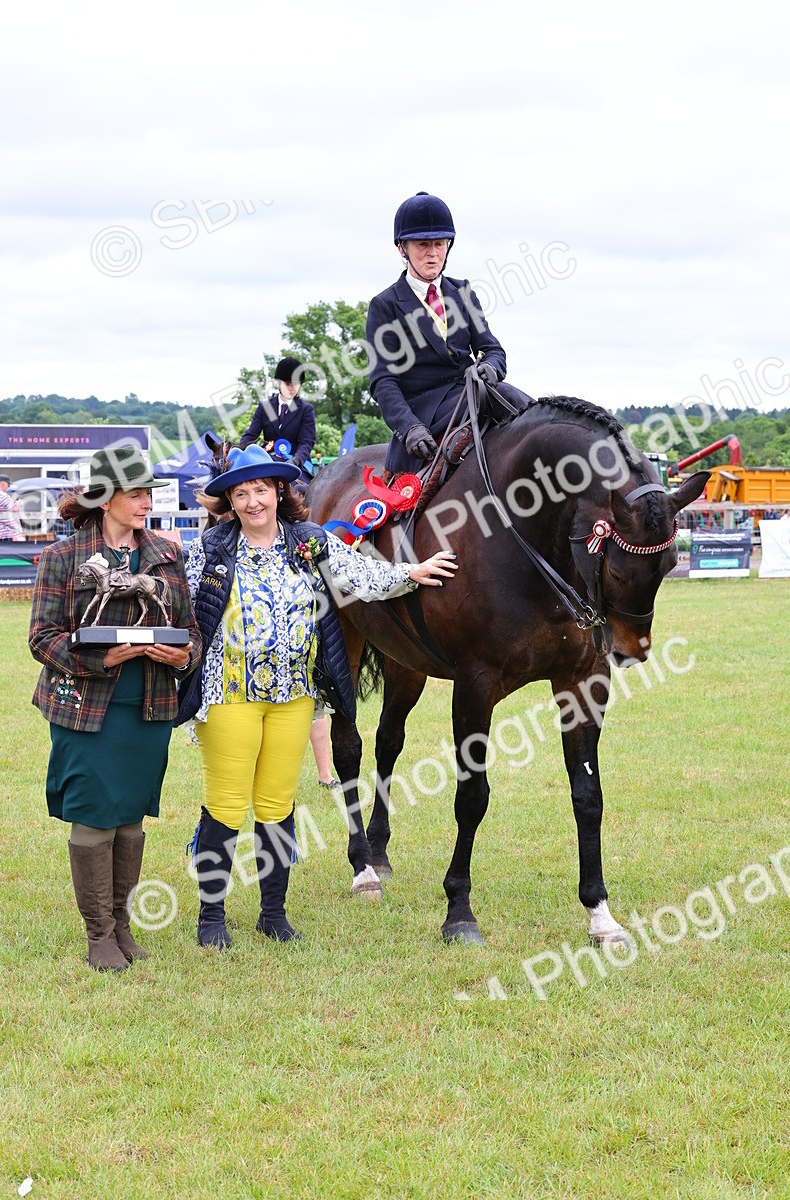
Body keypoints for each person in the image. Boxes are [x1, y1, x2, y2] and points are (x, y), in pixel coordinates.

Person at [176, 443, 457, 949]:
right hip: (229, 694)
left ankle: (272, 913)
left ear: (278, 491)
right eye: (241, 493)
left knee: (277, 803)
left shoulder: (308, 541)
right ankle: (211, 916)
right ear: (231, 501)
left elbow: (361, 575)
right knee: (226, 803)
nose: (253, 501)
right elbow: (179, 599)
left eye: (261, 489)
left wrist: (410, 573)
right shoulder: (211, 551)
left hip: (293, 696)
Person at [29, 446, 202, 973]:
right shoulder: (64, 557)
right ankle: (98, 933)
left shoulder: (168, 555)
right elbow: (41, 638)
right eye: (136, 494)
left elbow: (191, 630)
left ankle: (123, 925)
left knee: (130, 817)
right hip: (85, 708)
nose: (146, 503)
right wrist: (102, 659)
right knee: (94, 815)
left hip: (148, 708)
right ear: (106, 499)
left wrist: (182, 653)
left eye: (149, 493)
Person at [366, 191, 533, 477]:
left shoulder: (463, 292)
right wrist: (410, 428)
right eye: (423, 245)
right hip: (425, 413)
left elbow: (493, 350)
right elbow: (383, 382)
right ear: (401, 249)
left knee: (531, 414)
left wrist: (490, 369)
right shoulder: (385, 305)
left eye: (439, 244)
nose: (433, 253)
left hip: (473, 394)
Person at [239, 356, 317, 480]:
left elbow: (306, 442)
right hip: (267, 459)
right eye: (288, 384)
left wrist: (296, 460)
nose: (292, 388)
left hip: (296, 462)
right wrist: (237, 451)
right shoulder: (265, 407)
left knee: (305, 491)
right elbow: (251, 435)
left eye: (296, 384)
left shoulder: (306, 410)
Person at [0, 474, 23, 541]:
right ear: (3, 484)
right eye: (8, 485)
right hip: (6, 533)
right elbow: (14, 509)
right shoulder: (3, 495)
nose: (8, 487)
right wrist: (18, 503)